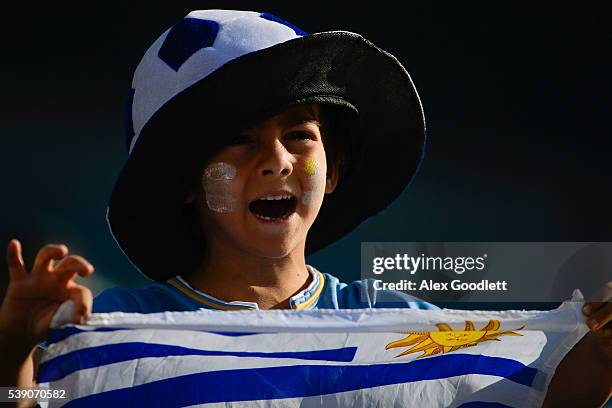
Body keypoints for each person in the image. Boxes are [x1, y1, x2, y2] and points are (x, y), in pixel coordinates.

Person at [0, 9, 610, 406]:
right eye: (239, 139)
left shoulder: (402, 327)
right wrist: (14, 348)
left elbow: (546, 399)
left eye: (300, 134)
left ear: (334, 169)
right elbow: (27, 405)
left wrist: (603, 348)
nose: (277, 159)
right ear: (184, 181)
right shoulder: (110, 333)